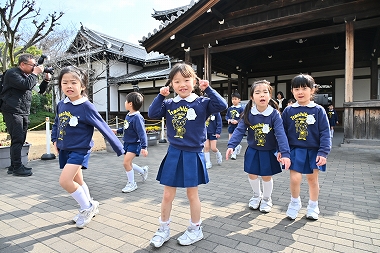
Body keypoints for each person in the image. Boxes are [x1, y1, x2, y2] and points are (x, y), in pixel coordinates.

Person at [147, 62, 227, 248]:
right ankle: (163, 228)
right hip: (173, 153)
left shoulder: (202, 102)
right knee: (167, 194)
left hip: (193, 153)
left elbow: (221, 105)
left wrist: (208, 90)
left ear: (195, 81)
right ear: (171, 84)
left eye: (186, 80)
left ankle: (195, 228)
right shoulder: (169, 103)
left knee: (192, 194)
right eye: (176, 81)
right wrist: (160, 95)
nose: (182, 84)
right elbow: (152, 113)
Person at [51, 66, 124, 229]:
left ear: (83, 85)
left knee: (65, 181)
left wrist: (120, 148)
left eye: (73, 82)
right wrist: (54, 139)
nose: (69, 86)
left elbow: (102, 126)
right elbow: (57, 122)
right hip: (65, 149)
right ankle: (91, 205)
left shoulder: (86, 106)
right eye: (65, 83)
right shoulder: (62, 104)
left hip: (80, 150)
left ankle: (87, 208)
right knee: (78, 180)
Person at [226, 80, 291, 213]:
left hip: (268, 151)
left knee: (266, 176)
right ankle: (257, 196)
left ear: (270, 95)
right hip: (253, 150)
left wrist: (284, 153)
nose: (262, 95)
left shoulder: (274, 114)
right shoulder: (249, 113)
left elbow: (281, 135)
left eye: (265, 92)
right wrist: (231, 145)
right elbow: (239, 130)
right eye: (258, 92)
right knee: (252, 174)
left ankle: (267, 199)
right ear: (252, 97)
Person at [282, 74, 331, 220]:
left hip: (313, 151)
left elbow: (325, 132)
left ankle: (313, 205)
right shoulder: (288, 111)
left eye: (304, 88)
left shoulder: (318, 110)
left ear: (312, 90)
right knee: (295, 179)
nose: (300, 92)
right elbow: (281, 132)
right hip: (295, 150)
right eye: (296, 88)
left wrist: (323, 152)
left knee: (312, 179)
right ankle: (294, 203)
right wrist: (281, 151)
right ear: (292, 91)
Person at [0, 53, 51, 176]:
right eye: (32, 65)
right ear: (23, 64)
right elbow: (26, 85)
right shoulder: (12, 73)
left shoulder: (26, 76)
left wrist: (46, 79)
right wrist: (35, 73)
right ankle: (17, 168)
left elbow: (40, 90)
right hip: (12, 110)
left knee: (20, 139)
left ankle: (13, 166)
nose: (34, 67)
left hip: (22, 111)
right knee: (17, 139)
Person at [113, 92, 149, 193]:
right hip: (127, 143)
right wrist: (117, 131)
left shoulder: (137, 117)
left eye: (126, 101)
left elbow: (142, 133)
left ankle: (132, 183)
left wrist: (144, 147)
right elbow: (126, 127)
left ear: (130, 104)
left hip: (135, 144)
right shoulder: (129, 115)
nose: (124, 102)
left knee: (126, 163)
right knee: (129, 163)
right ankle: (143, 171)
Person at [225, 91, 244, 160]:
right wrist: (229, 120)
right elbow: (227, 116)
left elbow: (242, 118)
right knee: (231, 140)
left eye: (235, 99)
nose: (234, 100)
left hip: (238, 127)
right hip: (231, 126)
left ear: (239, 100)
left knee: (235, 139)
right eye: (233, 99)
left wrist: (237, 121)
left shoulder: (241, 108)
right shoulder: (230, 108)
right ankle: (237, 148)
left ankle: (234, 154)